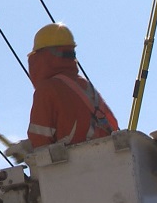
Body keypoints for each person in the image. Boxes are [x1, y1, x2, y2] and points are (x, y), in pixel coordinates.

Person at [8, 22, 119, 157]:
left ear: (40, 58)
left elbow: (41, 143)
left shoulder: (47, 90)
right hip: (109, 160)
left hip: (74, 169)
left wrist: (27, 150)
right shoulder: (85, 86)